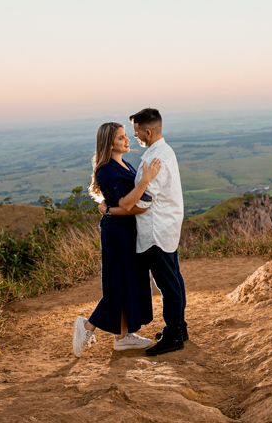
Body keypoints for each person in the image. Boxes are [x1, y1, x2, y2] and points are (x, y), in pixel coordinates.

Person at [101, 107, 187, 356]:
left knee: (168, 285)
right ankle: (179, 328)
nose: (134, 137)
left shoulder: (153, 159)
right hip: (166, 227)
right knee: (174, 280)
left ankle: (174, 336)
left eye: (136, 132)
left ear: (147, 132)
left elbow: (140, 205)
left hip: (156, 231)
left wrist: (109, 209)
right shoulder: (164, 151)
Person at [72, 122, 161, 357]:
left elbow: (115, 202)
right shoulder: (106, 169)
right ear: (109, 143)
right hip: (118, 233)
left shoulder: (123, 164)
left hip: (128, 230)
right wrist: (146, 181)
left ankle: (123, 336)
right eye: (121, 137)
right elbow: (127, 203)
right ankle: (88, 326)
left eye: (125, 136)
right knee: (119, 283)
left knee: (130, 280)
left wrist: (108, 207)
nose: (127, 140)